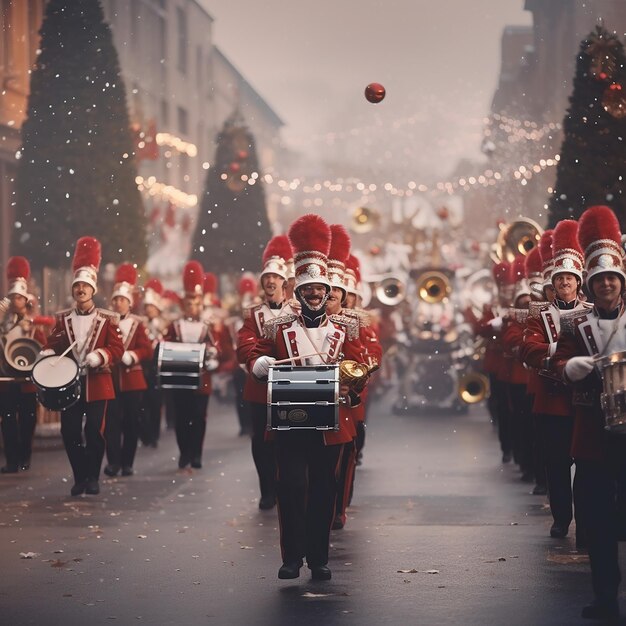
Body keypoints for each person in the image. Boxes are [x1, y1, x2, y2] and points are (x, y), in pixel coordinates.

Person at [247, 214, 368, 581]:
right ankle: (291, 558)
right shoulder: (279, 328)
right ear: (297, 293)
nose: (314, 295)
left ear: (327, 293)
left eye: (320, 290)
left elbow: (362, 362)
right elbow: (253, 349)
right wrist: (259, 362)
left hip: (331, 425)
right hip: (290, 421)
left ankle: (319, 558)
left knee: (323, 488)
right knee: (290, 485)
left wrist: (353, 378)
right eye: (307, 290)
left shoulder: (345, 329)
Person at [553, 205, 626, 620]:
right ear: (591, 284)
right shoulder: (575, 324)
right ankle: (604, 595)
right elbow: (558, 360)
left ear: (621, 282)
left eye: (613, 279)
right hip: (594, 433)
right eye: (600, 280)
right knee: (597, 520)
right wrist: (568, 368)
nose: (607, 285)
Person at [521, 220, 591, 544]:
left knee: (589, 465)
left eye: (569, 278)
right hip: (552, 400)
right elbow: (528, 348)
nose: (565, 283)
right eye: (560, 278)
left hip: (585, 398)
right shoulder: (540, 315)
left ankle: (588, 520)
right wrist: (560, 351)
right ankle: (562, 519)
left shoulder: (592, 312)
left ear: (578, 282)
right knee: (558, 465)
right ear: (553, 284)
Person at [40, 237, 123, 496]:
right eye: (77, 286)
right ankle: (80, 476)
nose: (81, 290)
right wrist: (47, 353)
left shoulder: (108, 319)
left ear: (93, 290)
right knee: (70, 431)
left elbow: (117, 350)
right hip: (70, 384)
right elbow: (53, 343)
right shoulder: (63, 318)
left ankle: (93, 477)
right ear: (74, 290)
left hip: (98, 383)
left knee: (95, 431)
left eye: (85, 286)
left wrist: (100, 356)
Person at [236, 235, 297, 510]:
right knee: (260, 443)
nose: (270, 282)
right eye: (266, 278)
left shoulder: (297, 311)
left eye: (275, 278)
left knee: (287, 442)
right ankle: (266, 490)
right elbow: (243, 345)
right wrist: (255, 361)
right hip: (260, 389)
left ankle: (285, 487)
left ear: (284, 283)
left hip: (291, 387)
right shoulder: (253, 315)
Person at [163, 261, 223, 470]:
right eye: (189, 303)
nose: (193, 307)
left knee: (199, 418)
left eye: (197, 303)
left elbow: (216, 346)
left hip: (201, 378)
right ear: (183, 305)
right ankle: (184, 452)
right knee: (182, 417)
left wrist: (213, 354)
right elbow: (165, 345)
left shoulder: (206, 326)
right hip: (180, 377)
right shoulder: (175, 325)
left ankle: (196, 453)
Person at [103, 264, 153, 477]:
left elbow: (147, 349)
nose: (118, 303)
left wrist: (133, 356)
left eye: (122, 300)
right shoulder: (105, 322)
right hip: (111, 379)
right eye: (116, 300)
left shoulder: (137, 324)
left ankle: (127, 462)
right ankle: (113, 461)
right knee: (112, 423)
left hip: (132, 380)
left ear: (129, 303)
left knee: (131, 422)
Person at [0, 257, 46, 473]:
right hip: (8, 379)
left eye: (20, 297)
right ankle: (11, 460)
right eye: (13, 297)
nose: (16, 301)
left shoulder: (34, 325)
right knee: (8, 421)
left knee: (28, 422)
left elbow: (44, 348)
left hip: (27, 381)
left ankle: (24, 456)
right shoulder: (3, 324)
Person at [140, 278, 167, 448]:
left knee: (155, 404)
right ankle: (145, 435)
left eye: (152, 307)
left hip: (158, 369)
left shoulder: (164, 324)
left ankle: (154, 435)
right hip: (143, 368)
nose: (149, 310)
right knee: (143, 405)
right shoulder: (140, 325)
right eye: (147, 307)